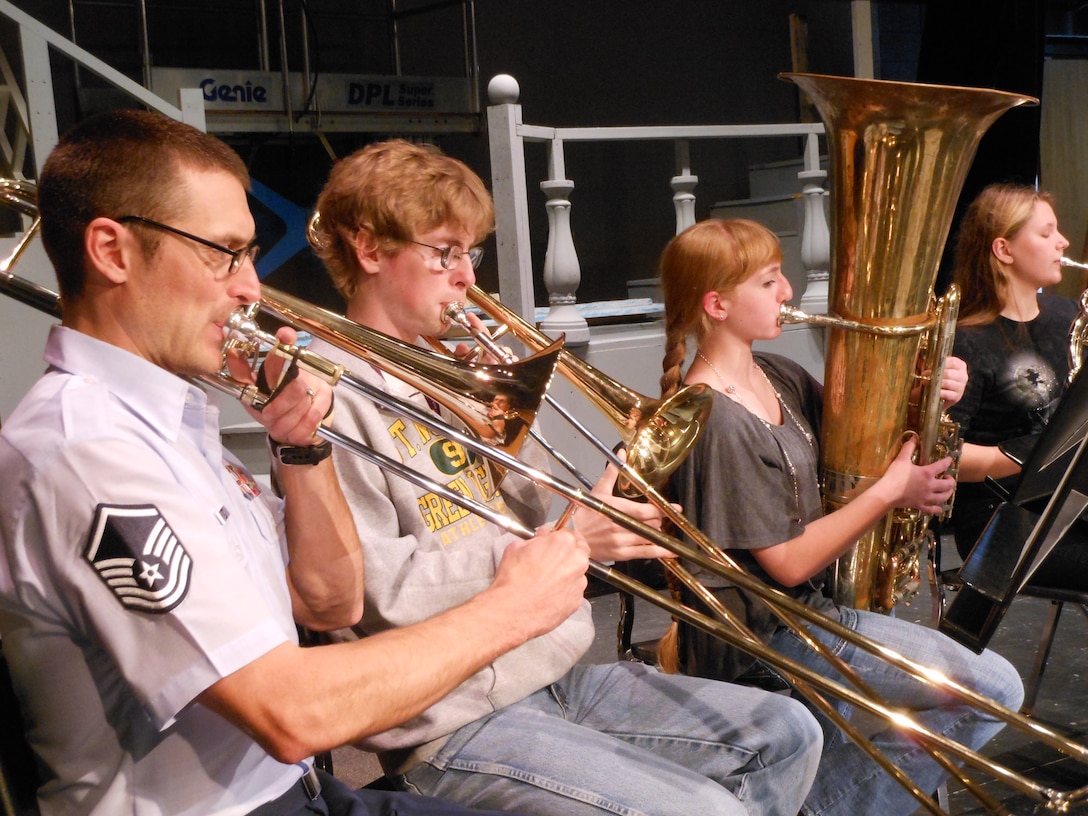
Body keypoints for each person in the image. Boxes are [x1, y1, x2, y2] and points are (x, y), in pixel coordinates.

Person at [0, 110, 596, 816]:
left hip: (304, 792)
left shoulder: (168, 421)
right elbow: (292, 715)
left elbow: (328, 601)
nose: (251, 288)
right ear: (112, 251)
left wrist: (302, 446)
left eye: (249, 254)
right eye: (224, 252)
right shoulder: (86, 450)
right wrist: (512, 607)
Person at [306, 138, 824, 816]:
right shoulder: (326, 394)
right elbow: (380, 588)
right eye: (444, 252)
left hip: (551, 674)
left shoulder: (460, 375)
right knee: (704, 809)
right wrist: (558, 542)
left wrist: (519, 433)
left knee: (785, 732)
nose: (467, 277)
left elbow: (547, 509)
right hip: (450, 720)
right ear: (371, 251)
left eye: (471, 253)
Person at [655, 217, 1025, 816]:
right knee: (994, 691)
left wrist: (934, 391)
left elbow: (869, 438)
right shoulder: (715, 417)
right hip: (765, 641)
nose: (788, 294)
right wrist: (889, 494)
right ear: (717, 303)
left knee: (969, 697)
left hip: (808, 617)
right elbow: (789, 561)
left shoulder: (774, 375)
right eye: (770, 282)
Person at [946, 183, 1088, 588]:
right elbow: (942, 454)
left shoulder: (1067, 316)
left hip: (1066, 501)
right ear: (1004, 250)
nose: (1062, 242)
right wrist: (1035, 456)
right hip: (1002, 518)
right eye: (1046, 234)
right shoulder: (967, 340)